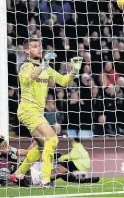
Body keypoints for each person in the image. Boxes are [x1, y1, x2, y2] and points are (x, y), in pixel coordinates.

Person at [9, 38, 82, 187]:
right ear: (27, 51)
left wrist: (74, 71)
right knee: (53, 140)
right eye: (34, 46)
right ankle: (45, 179)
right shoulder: (25, 66)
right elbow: (27, 80)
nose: (39, 48)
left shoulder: (46, 68)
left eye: (39, 46)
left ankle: (18, 174)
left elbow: (64, 81)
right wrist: (43, 65)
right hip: (28, 110)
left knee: (42, 146)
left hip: (37, 112)